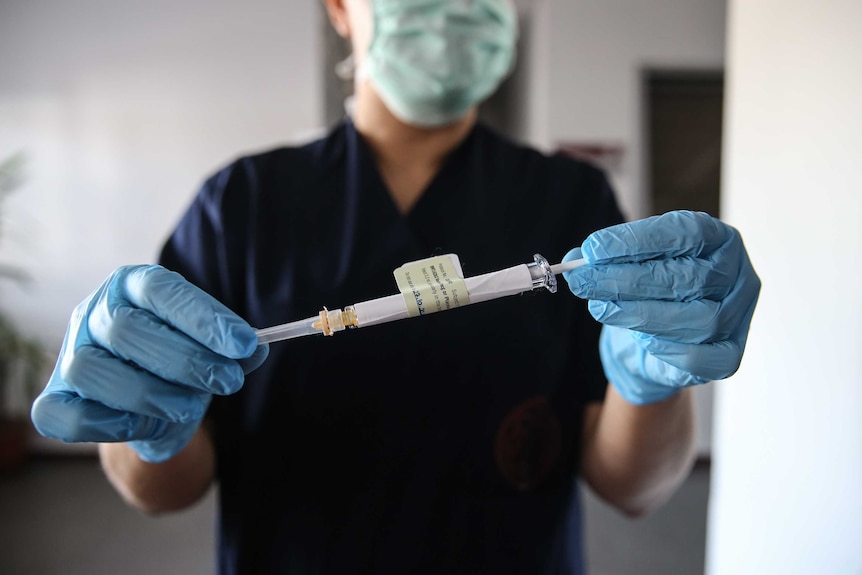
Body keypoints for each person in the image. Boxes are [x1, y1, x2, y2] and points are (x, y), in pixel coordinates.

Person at [31, 1, 760, 573]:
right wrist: (144, 428)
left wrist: (651, 382)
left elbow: (635, 488)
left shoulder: (571, 202)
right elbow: (161, 490)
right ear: (340, 7)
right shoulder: (242, 205)